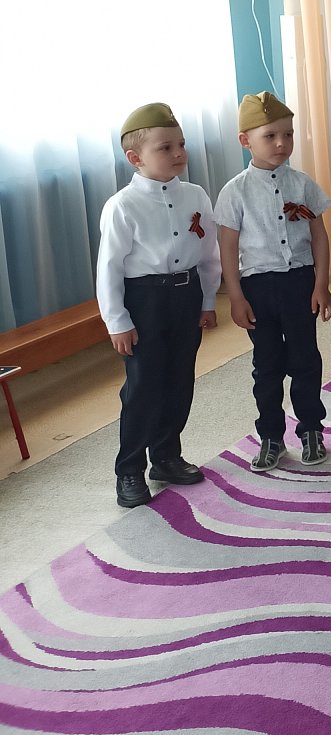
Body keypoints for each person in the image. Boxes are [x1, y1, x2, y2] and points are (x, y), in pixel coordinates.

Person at [96, 103, 221, 508]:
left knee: (179, 380)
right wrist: (117, 321)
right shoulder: (122, 206)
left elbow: (209, 253)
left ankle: (166, 456)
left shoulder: (195, 195)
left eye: (181, 144)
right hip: (144, 301)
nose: (178, 153)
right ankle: (129, 469)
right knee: (144, 386)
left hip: (186, 295)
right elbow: (109, 269)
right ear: (135, 158)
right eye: (165, 147)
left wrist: (207, 299)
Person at [217, 91, 331, 472]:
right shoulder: (235, 191)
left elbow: (319, 237)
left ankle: (311, 429)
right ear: (245, 140)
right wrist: (236, 297)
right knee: (267, 366)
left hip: (299, 283)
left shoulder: (303, 185)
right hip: (258, 289)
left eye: (287, 134)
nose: (281, 143)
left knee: (305, 360)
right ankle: (271, 436)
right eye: (270, 136)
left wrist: (321, 285)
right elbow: (228, 247)